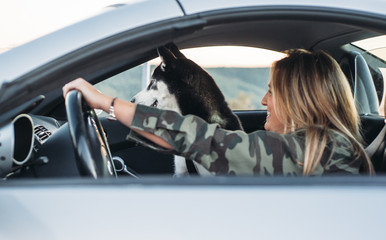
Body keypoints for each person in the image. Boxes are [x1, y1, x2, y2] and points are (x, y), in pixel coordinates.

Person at [62, 49, 374, 176]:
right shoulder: (307, 147)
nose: (264, 101)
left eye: (272, 91)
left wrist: (106, 102)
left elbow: (212, 143)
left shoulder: (324, 150)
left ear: (300, 100)